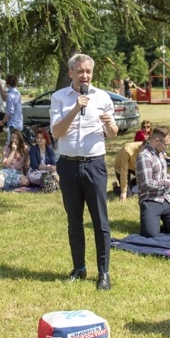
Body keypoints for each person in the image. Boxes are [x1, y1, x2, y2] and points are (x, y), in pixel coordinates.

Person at [50, 53, 118, 291]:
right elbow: (57, 132)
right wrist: (74, 109)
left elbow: (113, 134)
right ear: (70, 73)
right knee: (74, 221)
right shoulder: (59, 98)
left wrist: (110, 124)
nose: (84, 75)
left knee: (100, 221)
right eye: (80, 71)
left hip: (94, 165)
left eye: (88, 71)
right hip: (68, 166)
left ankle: (104, 273)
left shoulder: (102, 97)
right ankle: (79, 267)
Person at [136, 126, 170, 238]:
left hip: (166, 199)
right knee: (150, 234)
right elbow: (147, 184)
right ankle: (153, 220)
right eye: (166, 144)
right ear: (156, 141)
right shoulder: (144, 157)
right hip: (150, 200)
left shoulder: (160, 154)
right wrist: (169, 182)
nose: (167, 147)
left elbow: (160, 176)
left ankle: (164, 220)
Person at [1, 74, 23, 138]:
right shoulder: (17, 93)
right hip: (19, 122)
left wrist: (3, 121)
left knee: (11, 143)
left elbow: (10, 110)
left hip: (13, 124)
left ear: (8, 82)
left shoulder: (10, 95)